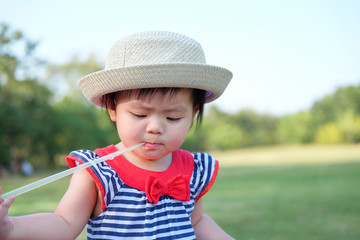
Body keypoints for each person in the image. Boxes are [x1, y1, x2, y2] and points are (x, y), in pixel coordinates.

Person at [0, 31, 234, 239]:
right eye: (140, 115)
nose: (155, 128)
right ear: (113, 109)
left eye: (173, 118)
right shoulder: (100, 171)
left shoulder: (192, 170)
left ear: (193, 114)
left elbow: (197, 222)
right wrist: (11, 229)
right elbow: (63, 223)